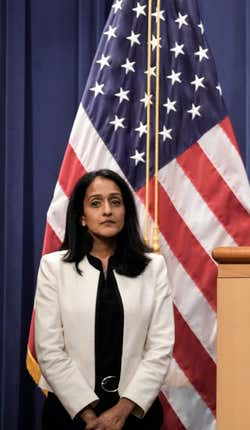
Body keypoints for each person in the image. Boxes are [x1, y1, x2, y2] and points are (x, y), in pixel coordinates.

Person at [34, 169, 174, 429]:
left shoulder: (153, 267)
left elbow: (160, 347)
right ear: (82, 217)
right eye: (96, 203)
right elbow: (49, 348)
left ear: (125, 212)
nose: (107, 210)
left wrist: (122, 410)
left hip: (134, 414)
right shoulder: (53, 267)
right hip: (70, 413)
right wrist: (87, 414)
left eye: (116, 202)